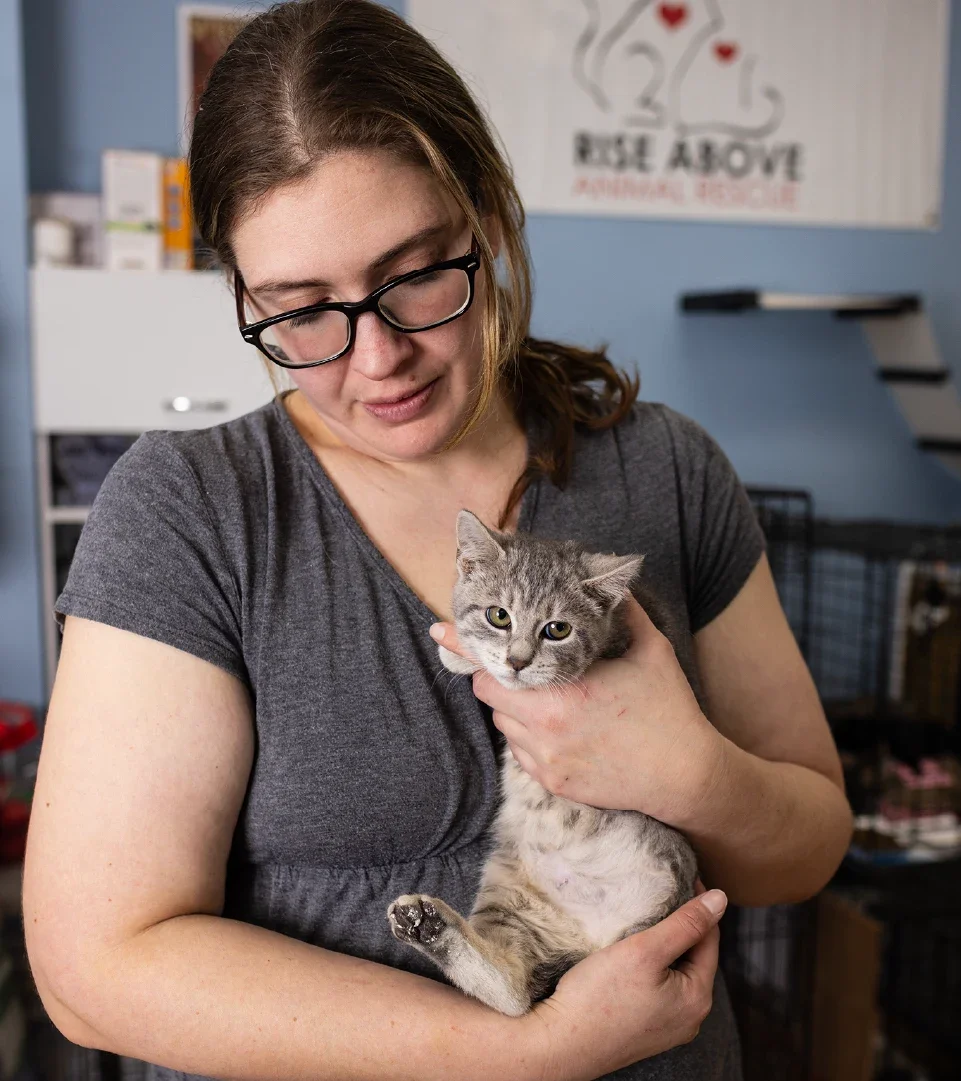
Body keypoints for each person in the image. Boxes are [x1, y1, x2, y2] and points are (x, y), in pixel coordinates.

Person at [23, 2, 853, 1079]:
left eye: (415, 275)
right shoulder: (190, 513)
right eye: (300, 310)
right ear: (240, 294)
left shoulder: (666, 472)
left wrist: (690, 770)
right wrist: (524, 1052)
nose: (377, 361)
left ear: (488, 218)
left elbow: (811, 842)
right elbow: (97, 966)